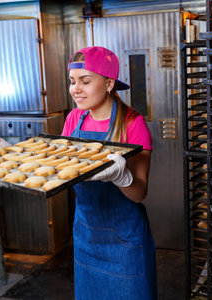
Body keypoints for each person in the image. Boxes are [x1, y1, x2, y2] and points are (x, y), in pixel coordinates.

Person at [62, 46, 157, 299]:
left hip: (124, 240)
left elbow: (139, 193)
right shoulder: (74, 119)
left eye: (85, 81)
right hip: (86, 232)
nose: (76, 89)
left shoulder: (132, 124)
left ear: (108, 83)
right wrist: (19, 157)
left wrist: (122, 178)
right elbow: (61, 169)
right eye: (72, 81)